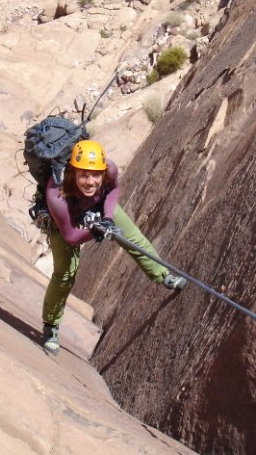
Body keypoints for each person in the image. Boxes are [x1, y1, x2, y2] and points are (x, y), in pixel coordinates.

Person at [41, 139, 186, 355]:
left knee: (132, 236)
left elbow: (113, 189)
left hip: (97, 208)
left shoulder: (110, 170)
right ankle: (51, 326)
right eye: (84, 175)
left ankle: (163, 274)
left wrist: (107, 219)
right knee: (65, 273)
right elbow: (71, 237)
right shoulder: (56, 192)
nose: (91, 181)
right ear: (73, 173)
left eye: (95, 175)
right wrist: (95, 231)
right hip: (65, 222)